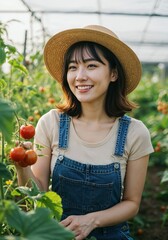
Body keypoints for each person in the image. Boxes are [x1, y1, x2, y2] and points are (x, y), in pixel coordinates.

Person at [16, 25, 154, 240]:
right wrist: (22, 167)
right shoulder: (51, 123)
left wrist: (92, 220)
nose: (80, 76)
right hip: (57, 233)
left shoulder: (134, 133)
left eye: (91, 65)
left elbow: (132, 203)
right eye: (73, 67)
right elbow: (37, 196)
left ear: (114, 74)